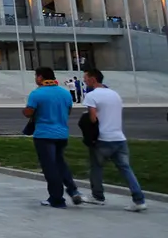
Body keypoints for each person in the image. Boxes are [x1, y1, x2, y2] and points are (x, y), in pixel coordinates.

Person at [80, 68, 146, 211]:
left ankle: (97, 196)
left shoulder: (91, 96)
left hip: (102, 138)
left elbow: (92, 118)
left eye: (85, 78)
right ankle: (139, 199)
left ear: (93, 79)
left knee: (96, 167)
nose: (84, 81)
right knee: (126, 169)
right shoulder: (114, 94)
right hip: (119, 137)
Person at [24, 66, 83, 208]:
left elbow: (28, 112)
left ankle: (57, 198)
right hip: (62, 133)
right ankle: (73, 190)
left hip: (44, 134)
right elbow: (68, 111)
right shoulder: (65, 93)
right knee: (60, 163)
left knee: (50, 167)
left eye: (36, 76)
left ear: (40, 77)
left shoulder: (37, 94)